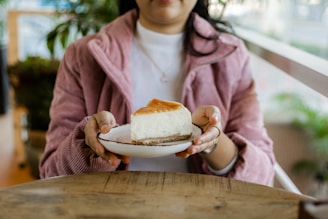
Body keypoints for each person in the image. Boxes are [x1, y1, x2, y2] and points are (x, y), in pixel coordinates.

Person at [39, 0, 275, 186]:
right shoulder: (83, 56)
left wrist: (211, 142)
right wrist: (90, 144)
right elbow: (50, 174)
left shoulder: (231, 56)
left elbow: (262, 177)